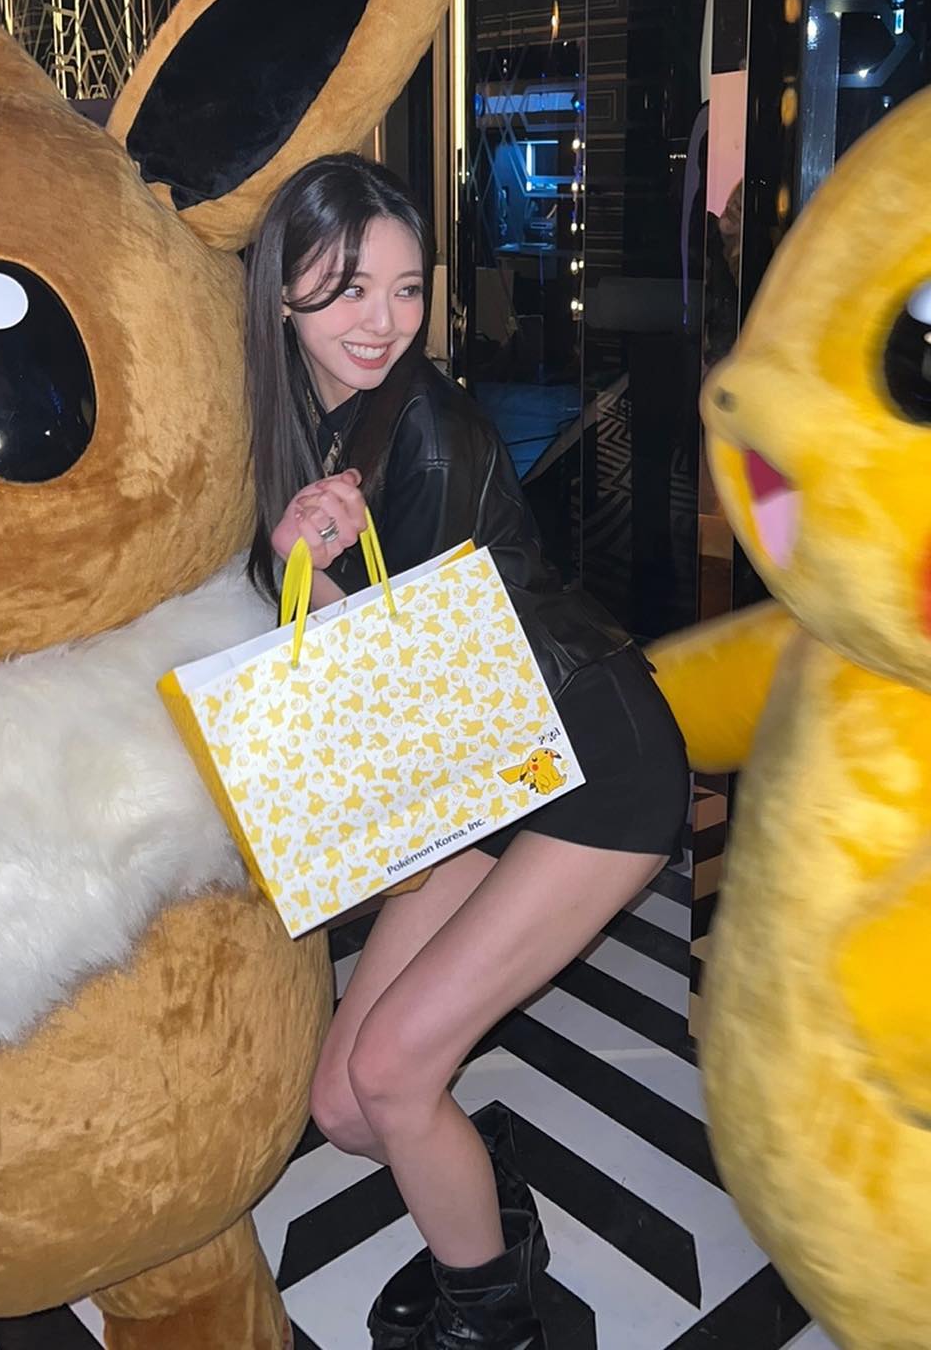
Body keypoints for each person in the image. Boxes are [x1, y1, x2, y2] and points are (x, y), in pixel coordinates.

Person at [244, 154, 690, 1350]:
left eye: (406, 288)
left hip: (591, 768)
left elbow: (415, 689)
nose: (382, 321)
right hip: (491, 773)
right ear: (280, 293)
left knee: (393, 1076)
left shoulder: (427, 432)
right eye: (347, 289)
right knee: (348, 1109)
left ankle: (495, 1320)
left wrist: (316, 570)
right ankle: (485, 1187)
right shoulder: (298, 418)